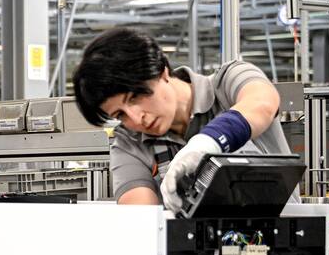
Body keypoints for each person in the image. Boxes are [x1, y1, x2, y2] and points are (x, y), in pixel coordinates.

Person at [72, 27, 290, 212]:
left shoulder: (227, 84)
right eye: (120, 115)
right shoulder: (129, 143)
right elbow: (141, 221)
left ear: (162, 72)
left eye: (136, 96)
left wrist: (208, 143)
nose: (137, 118)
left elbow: (261, 103)